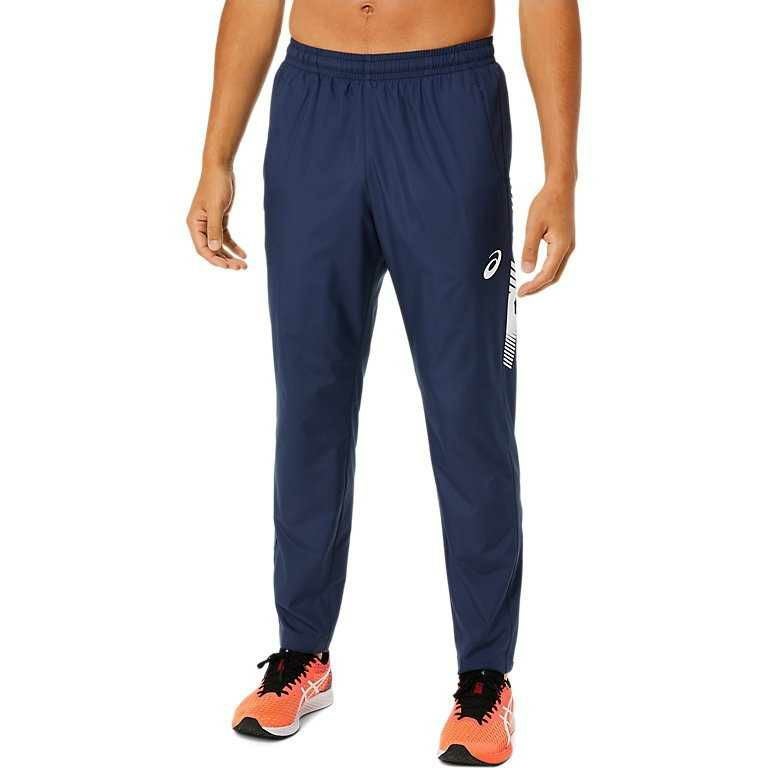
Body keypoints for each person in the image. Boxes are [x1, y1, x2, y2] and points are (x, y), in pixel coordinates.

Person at [187, 1, 580, 763]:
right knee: (310, 402)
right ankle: (302, 653)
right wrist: (216, 155)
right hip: (313, 104)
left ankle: (485, 678)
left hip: (448, 103)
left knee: (470, 408)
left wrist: (560, 174)